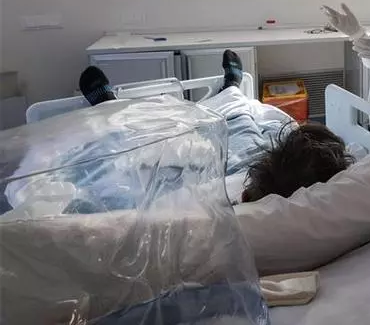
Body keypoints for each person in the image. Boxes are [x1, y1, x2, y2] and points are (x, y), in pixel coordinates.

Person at [4, 51, 351, 212]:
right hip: (252, 165)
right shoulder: (334, 212)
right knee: (247, 124)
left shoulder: (175, 209)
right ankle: (231, 89)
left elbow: (80, 200)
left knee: (126, 149)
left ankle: (109, 108)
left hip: (228, 174)